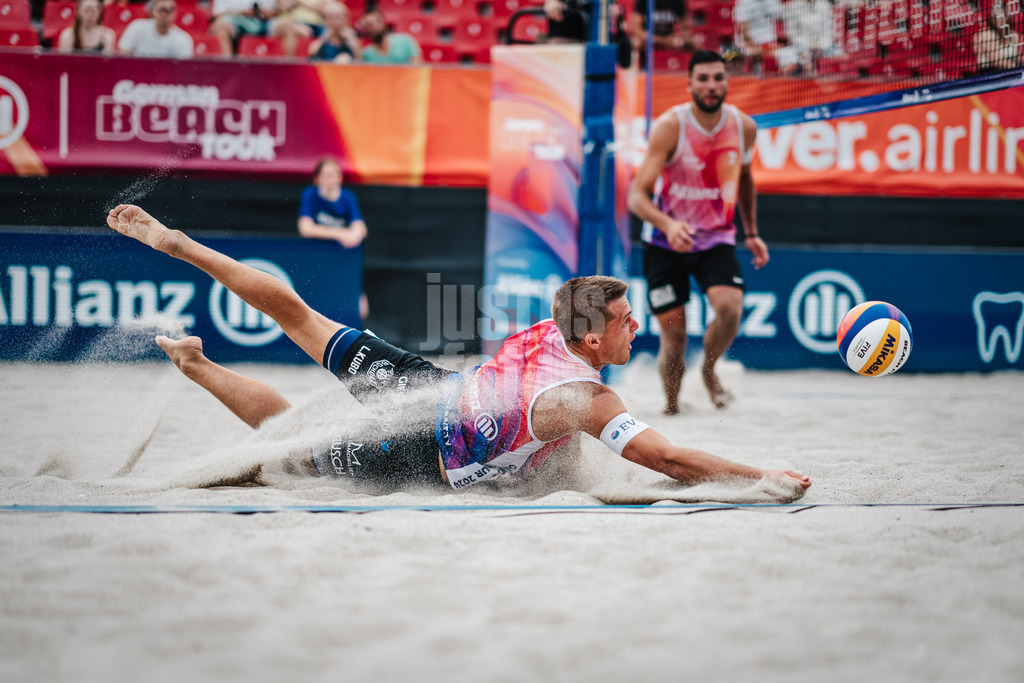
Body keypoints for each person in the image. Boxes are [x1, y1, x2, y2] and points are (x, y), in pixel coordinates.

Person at [103, 203, 810, 500]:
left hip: (427, 384)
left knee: (298, 315)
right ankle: (197, 364)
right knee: (278, 456)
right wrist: (757, 478)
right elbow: (667, 460)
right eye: (627, 322)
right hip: (417, 447)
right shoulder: (588, 398)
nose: (637, 330)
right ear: (593, 338)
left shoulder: (556, 323)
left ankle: (182, 248)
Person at [627, 50, 766, 414]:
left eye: (718, 78)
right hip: (665, 242)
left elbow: (746, 178)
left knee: (730, 309)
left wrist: (752, 233)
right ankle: (672, 407)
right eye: (703, 78)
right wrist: (669, 224)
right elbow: (636, 197)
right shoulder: (670, 126)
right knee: (674, 337)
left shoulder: (744, 127)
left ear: (727, 82)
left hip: (715, 238)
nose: (711, 85)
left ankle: (708, 369)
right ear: (689, 84)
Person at [297, 157, 369, 319]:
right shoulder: (310, 195)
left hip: (343, 263)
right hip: (317, 261)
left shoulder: (348, 197)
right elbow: (305, 228)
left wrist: (354, 235)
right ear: (317, 179)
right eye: (326, 175)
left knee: (360, 310)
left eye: (334, 175)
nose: (331, 179)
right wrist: (340, 234)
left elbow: (361, 229)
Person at [208, 0, 307, 56]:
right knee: (221, 28)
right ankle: (228, 70)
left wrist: (266, 13)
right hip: (236, 20)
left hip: (264, 21)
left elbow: (277, 11)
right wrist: (240, 13)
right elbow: (217, 15)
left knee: (288, 27)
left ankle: (289, 70)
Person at [117, 0, 194, 58]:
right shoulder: (136, 28)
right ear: (153, 11)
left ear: (175, 13)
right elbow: (123, 56)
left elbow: (183, 68)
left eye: (169, 10)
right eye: (162, 10)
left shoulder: (183, 39)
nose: (164, 14)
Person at [626, 0, 691, 69]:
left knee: (690, 42)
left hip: (669, 39)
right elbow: (636, 29)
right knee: (636, 42)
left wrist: (680, 37)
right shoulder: (642, 1)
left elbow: (686, 29)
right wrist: (663, 40)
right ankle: (642, 69)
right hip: (648, 39)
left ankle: (687, 69)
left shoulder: (678, 1)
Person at [355, 3, 422, 64]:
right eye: (366, 26)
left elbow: (418, 67)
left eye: (371, 25)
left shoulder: (405, 41)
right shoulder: (367, 53)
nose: (371, 29)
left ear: (383, 23)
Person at [731, 0, 783, 72]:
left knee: (787, 54)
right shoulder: (743, 2)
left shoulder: (773, 1)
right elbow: (743, 30)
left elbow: (782, 17)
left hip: (770, 42)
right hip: (748, 44)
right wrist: (757, 47)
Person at [973, 0, 1022, 75]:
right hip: (990, 75)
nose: (1000, 20)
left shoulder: (1013, 34)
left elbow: (1019, 57)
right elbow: (996, 61)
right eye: (996, 17)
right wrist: (1016, 69)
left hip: (1010, 73)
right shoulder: (987, 35)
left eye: (1002, 17)